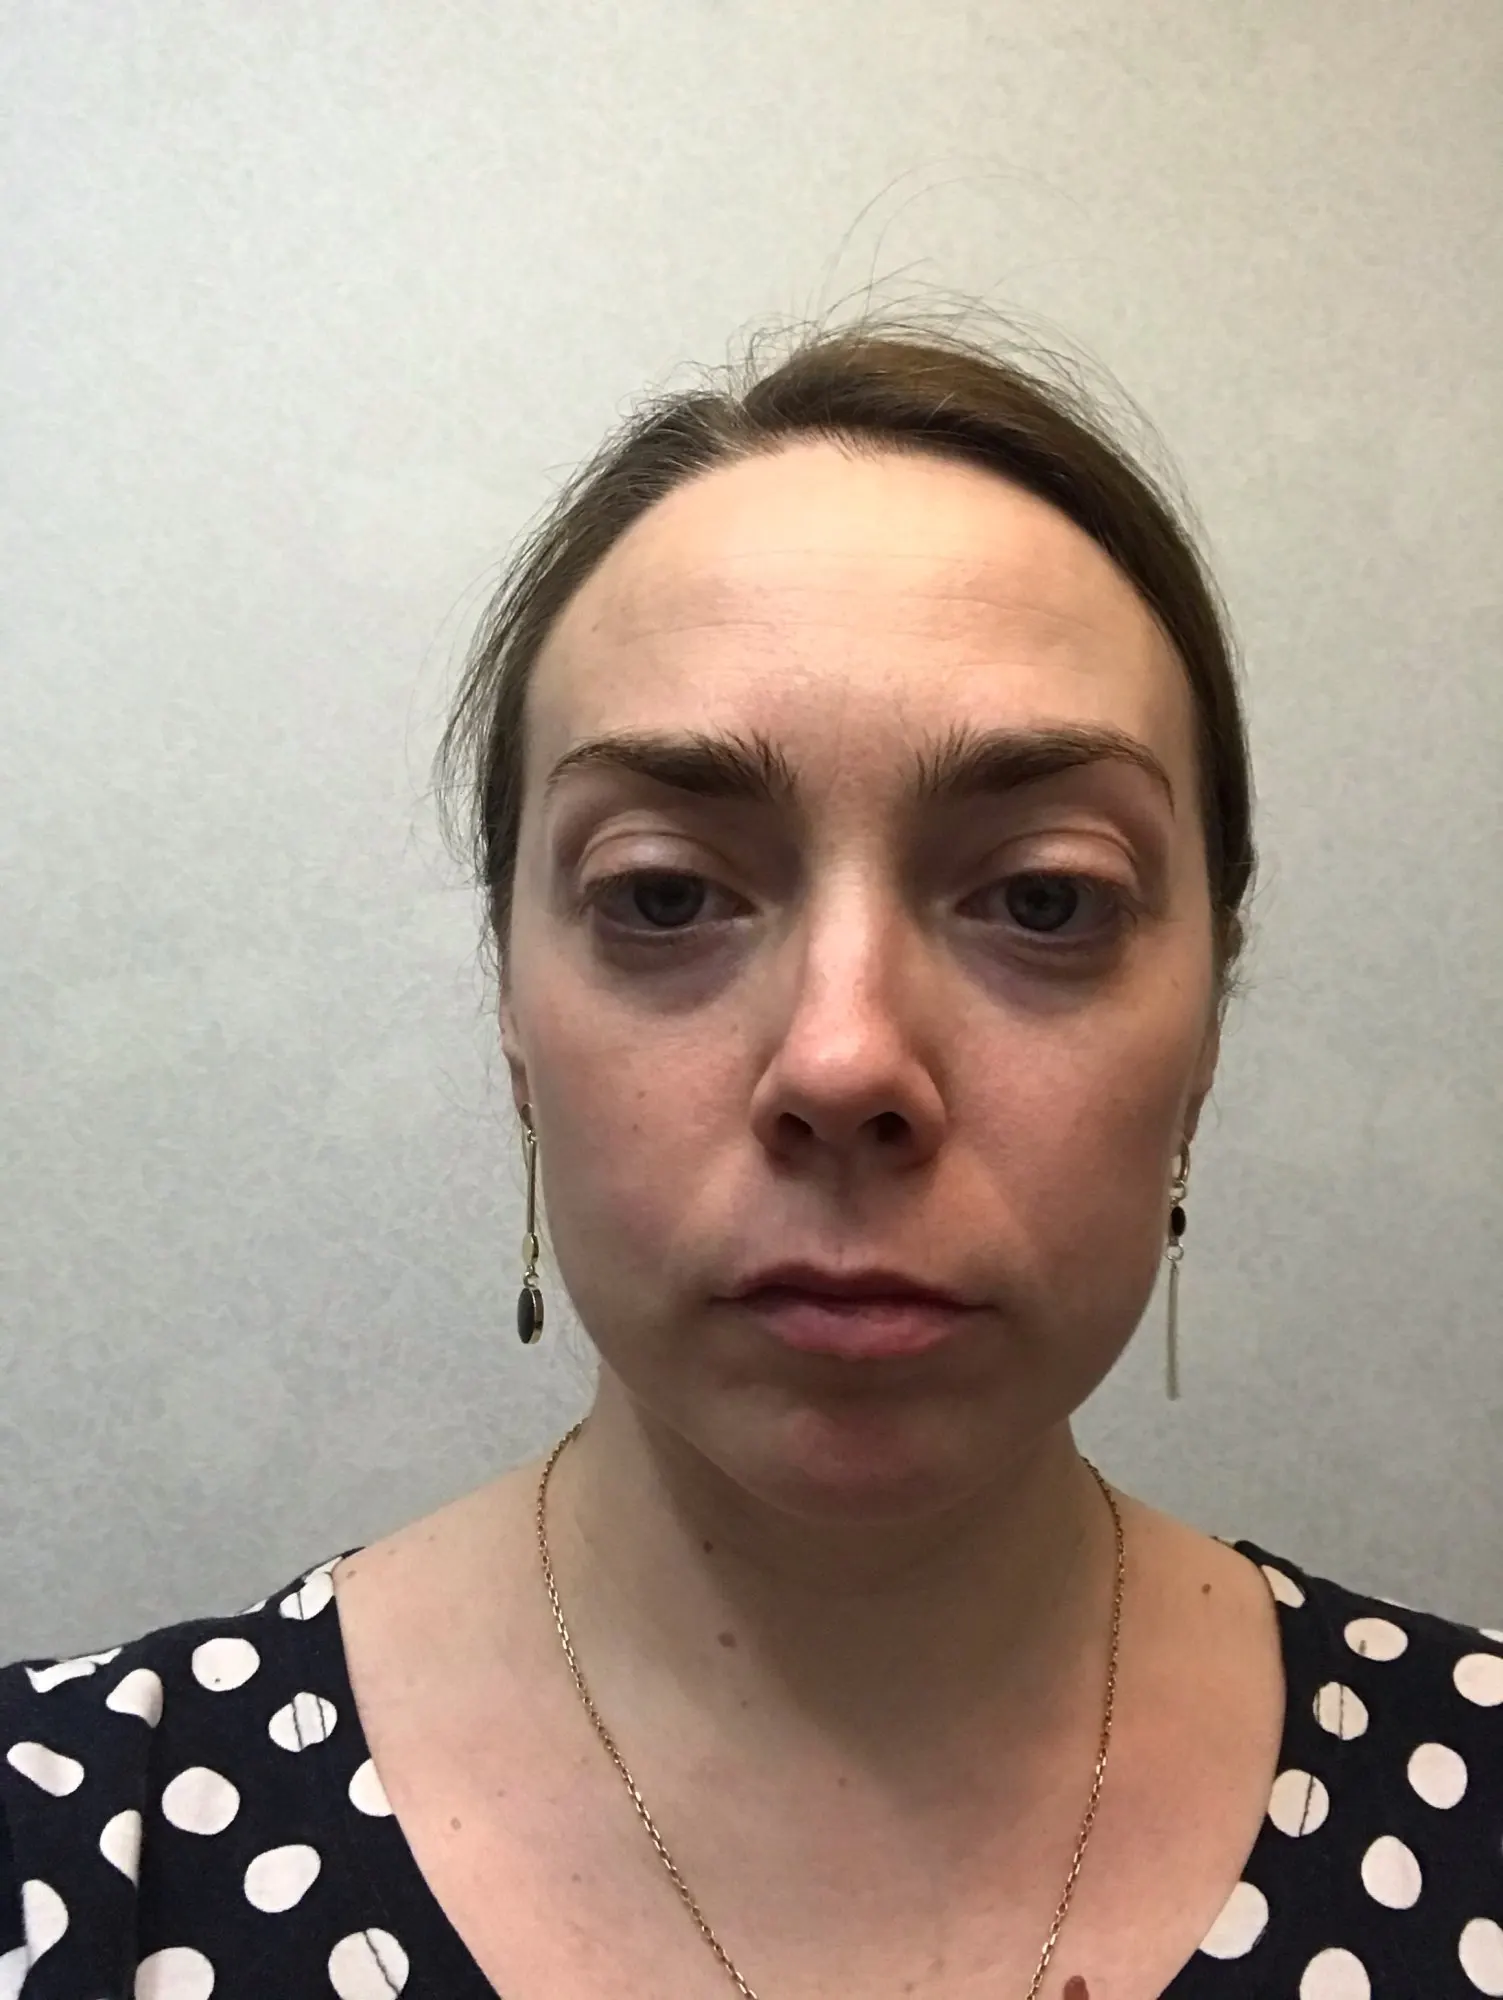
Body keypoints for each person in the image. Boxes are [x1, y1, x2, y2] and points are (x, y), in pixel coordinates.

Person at [3, 321, 1500, 2000]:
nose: (844, 1060)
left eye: (1045, 897)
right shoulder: (70, 1850)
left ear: (1204, 1026)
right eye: (662, 894)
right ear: (512, 1012)